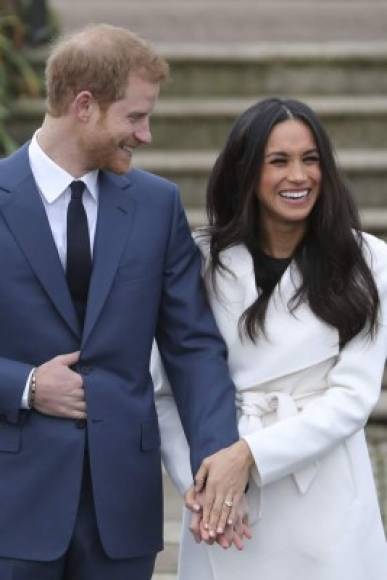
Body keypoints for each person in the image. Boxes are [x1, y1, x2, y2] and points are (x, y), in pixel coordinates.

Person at [0, 24, 253, 580]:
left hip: (121, 511)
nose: (146, 135)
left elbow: (192, 347)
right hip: (11, 502)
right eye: (135, 117)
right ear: (84, 106)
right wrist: (26, 386)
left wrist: (215, 459)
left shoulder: (156, 206)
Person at [153, 97, 387, 579]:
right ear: (245, 171)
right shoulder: (198, 260)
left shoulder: (367, 260)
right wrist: (205, 488)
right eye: (278, 161)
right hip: (224, 507)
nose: (298, 176)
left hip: (324, 498)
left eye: (310, 159)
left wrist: (249, 458)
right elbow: (163, 391)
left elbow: (353, 398)